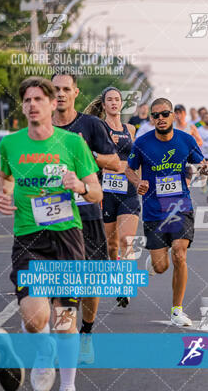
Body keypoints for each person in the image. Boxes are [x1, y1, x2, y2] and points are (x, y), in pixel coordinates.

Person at [0, 76, 103, 391]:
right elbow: (5, 179)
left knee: (65, 321)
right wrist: (3, 194)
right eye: (27, 100)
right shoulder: (10, 144)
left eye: (38, 99)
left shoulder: (72, 143)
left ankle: (68, 386)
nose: (32, 105)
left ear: (51, 103)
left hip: (67, 237)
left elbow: (96, 192)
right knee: (34, 319)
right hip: (29, 238)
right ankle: (44, 355)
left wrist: (81, 186)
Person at [51, 73, 121, 365]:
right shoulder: (40, 126)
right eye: (55, 89)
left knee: (90, 283)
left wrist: (86, 153)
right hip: (51, 213)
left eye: (66, 89)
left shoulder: (91, 125)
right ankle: (62, 339)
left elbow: (116, 162)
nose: (61, 94)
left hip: (88, 213)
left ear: (76, 92)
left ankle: (86, 333)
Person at [126, 98, 208, 327]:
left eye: (164, 114)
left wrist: (206, 167)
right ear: (151, 119)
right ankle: (153, 263)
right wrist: (137, 183)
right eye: (155, 115)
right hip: (154, 209)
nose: (160, 118)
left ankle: (177, 310)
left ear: (173, 115)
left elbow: (202, 164)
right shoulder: (142, 143)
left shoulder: (186, 140)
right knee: (161, 266)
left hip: (180, 205)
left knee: (180, 254)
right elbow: (129, 169)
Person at [84, 88, 141, 309]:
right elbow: (91, 159)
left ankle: (124, 287)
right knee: (111, 246)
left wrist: (141, 182)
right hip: (106, 192)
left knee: (128, 241)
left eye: (117, 99)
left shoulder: (130, 129)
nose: (114, 103)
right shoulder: (98, 128)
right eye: (110, 100)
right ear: (104, 104)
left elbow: (135, 160)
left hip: (128, 191)